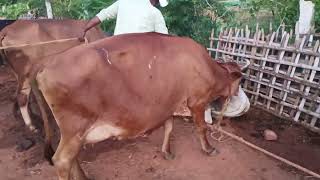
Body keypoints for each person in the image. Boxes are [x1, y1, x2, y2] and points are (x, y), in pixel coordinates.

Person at [82, 0, 169, 38]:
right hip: (140, 52)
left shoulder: (123, 2)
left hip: (117, 46)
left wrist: (84, 29)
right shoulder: (155, 12)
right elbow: (164, 38)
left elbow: (101, 16)